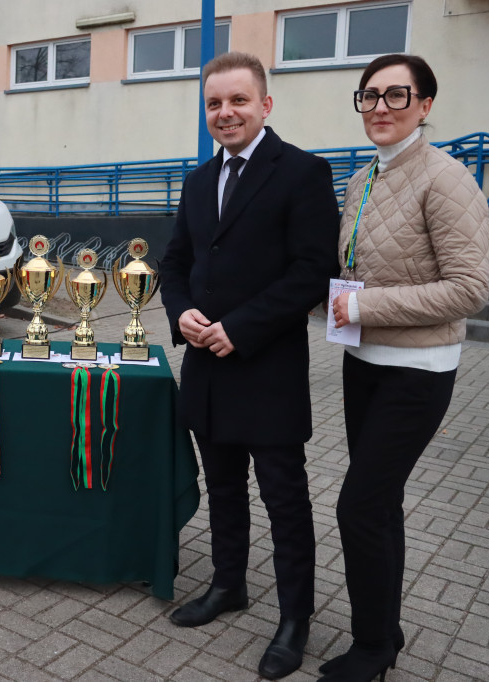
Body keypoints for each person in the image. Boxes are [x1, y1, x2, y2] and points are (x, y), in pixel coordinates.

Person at [160, 52, 339, 680]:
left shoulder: (303, 173)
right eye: (214, 103)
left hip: (266, 369)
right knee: (224, 490)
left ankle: (295, 621)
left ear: (265, 105)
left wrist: (241, 328)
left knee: (285, 501)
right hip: (206, 367)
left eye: (238, 100)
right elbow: (176, 261)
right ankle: (228, 585)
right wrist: (180, 312)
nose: (225, 112)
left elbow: (312, 271)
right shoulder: (197, 178)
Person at [324, 54, 489, 681]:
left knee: (358, 506)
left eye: (398, 95)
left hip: (418, 370)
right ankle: (384, 624)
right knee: (380, 501)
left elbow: (470, 288)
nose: (381, 108)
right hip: (363, 361)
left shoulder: (446, 179)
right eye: (370, 96)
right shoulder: (364, 176)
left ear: (425, 105)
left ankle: (372, 647)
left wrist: (363, 304)